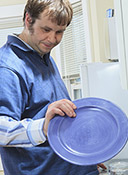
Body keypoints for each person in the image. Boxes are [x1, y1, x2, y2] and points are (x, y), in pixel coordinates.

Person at [0, 0, 106, 174]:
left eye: (60, 32)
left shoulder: (43, 57)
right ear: (28, 20)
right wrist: (43, 127)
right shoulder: (8, 66)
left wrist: (86, 153)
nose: (52, 39)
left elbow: (62, 119)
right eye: (46, 29)